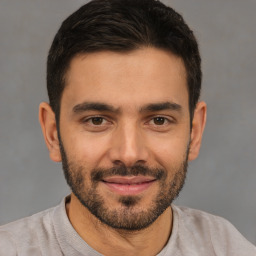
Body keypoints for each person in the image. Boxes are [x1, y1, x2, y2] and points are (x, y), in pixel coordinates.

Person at [0, 0, 255, 255]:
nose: (130, 153)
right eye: (97, 120)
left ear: (195, 132)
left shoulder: (228, 247)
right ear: (53, 134)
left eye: (158, 120)